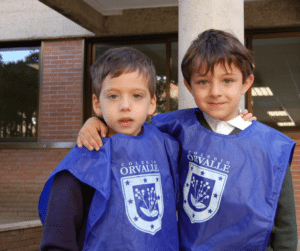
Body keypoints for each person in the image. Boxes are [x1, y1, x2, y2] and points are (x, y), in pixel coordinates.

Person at [76, 30, 297, 250]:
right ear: (189, 86)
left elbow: (285, 226)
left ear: (246, 83)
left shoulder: (271, 147)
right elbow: (130, 127)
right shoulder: (171, 129)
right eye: (203, 82)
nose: (215, 92)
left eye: (227, 80)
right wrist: (97, 122)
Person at [39, 47, 180, 250]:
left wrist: (241, 121)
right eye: (113, 96)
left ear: (152, 103)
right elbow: (58, 237)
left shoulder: (166, 145)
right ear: (97, 103)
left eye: (137, 96)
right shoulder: (84, 160)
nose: (125, 105)